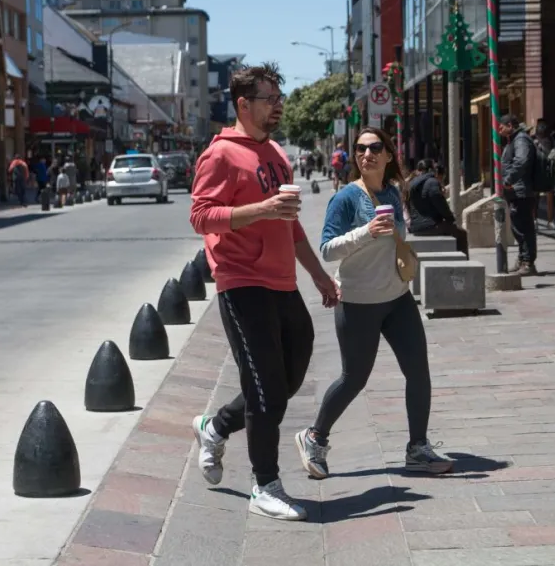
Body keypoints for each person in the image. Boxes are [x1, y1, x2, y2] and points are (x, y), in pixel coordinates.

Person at [189, 62, 340, 522]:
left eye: (279, 97)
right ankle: (265, 485)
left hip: (283, 282)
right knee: (266, 391)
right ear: (243, 104)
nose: (277, 105)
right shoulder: (220, 155)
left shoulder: (275, 152)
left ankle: (215, 426)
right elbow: (200, 216)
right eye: (269, 98)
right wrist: (260, 209)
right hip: (241, 281)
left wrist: (317, 275)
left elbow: (290, 224)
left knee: (289, 376)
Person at [295, 127, 452, 482]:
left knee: (418, 371)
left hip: (397, 299)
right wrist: (367, 232)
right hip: (358, 302)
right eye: (361, 149)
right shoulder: (346, 198)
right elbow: (326, 249)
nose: (367, 154)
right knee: (354, 379)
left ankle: (418, 448)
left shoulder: (395, 193)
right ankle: (315, 437)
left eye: (375, 147)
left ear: (388, 155)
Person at [501, 114, 538, 275]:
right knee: (518, 227)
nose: (499, 130)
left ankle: (527, 262)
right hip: (516, 191)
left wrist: (509, 179)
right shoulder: (514, 140)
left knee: (523, 227)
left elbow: (521, 161)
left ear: (510, 125)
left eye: (501, 126)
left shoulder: (521, 140)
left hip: (520, 191)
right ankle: (523, 259)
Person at [407, 159, 468, 256]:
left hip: (415, 227)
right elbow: (440, 204)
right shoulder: (432, 182)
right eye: (435, 167)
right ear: (431, 169)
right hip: (430, 226)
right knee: (461, 234)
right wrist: (450, 218)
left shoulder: (412, 184)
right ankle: (464, 265)